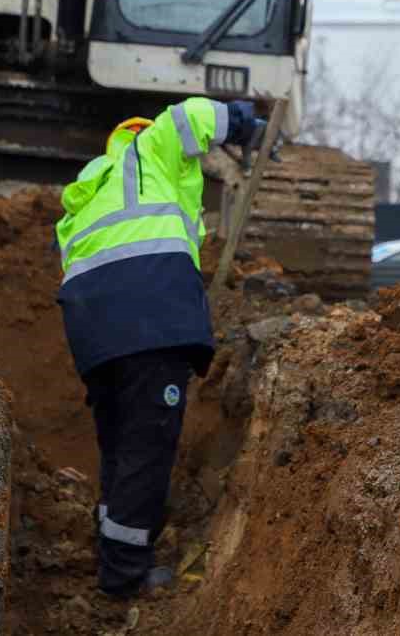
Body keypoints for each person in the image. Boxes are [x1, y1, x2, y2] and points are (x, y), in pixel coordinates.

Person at [56, 97, 266, 598]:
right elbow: (187, 117)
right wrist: (242, 122)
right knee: (147, 448)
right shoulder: (147, 147)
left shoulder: (87, 196)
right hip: (148, 322)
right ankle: (125, 576)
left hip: (95, 334)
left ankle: (112, 547)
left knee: (121, 443)